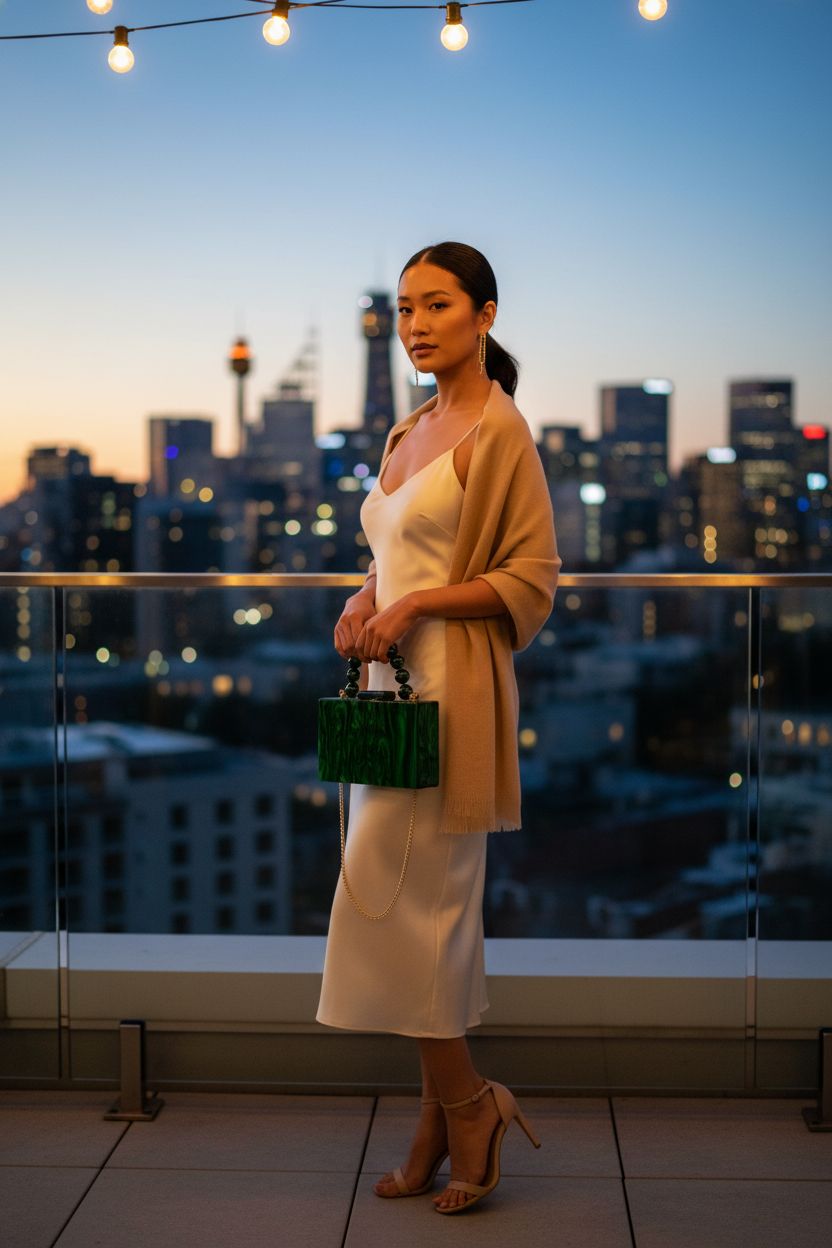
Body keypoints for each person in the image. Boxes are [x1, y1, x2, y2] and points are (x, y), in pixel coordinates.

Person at [316, 241, 561, 1214]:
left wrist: (416, 610)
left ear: (485, 315)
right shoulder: (409, 427)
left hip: (449, 695)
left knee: (412, 912)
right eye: (407, 308)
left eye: (437, 306)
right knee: (417, 917)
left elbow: (531, 580)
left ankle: (468, 1106)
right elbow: (399, 550)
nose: (417, 324)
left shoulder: (499, 432)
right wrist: (365, 593)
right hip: (387, 696)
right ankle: (440, 1116)